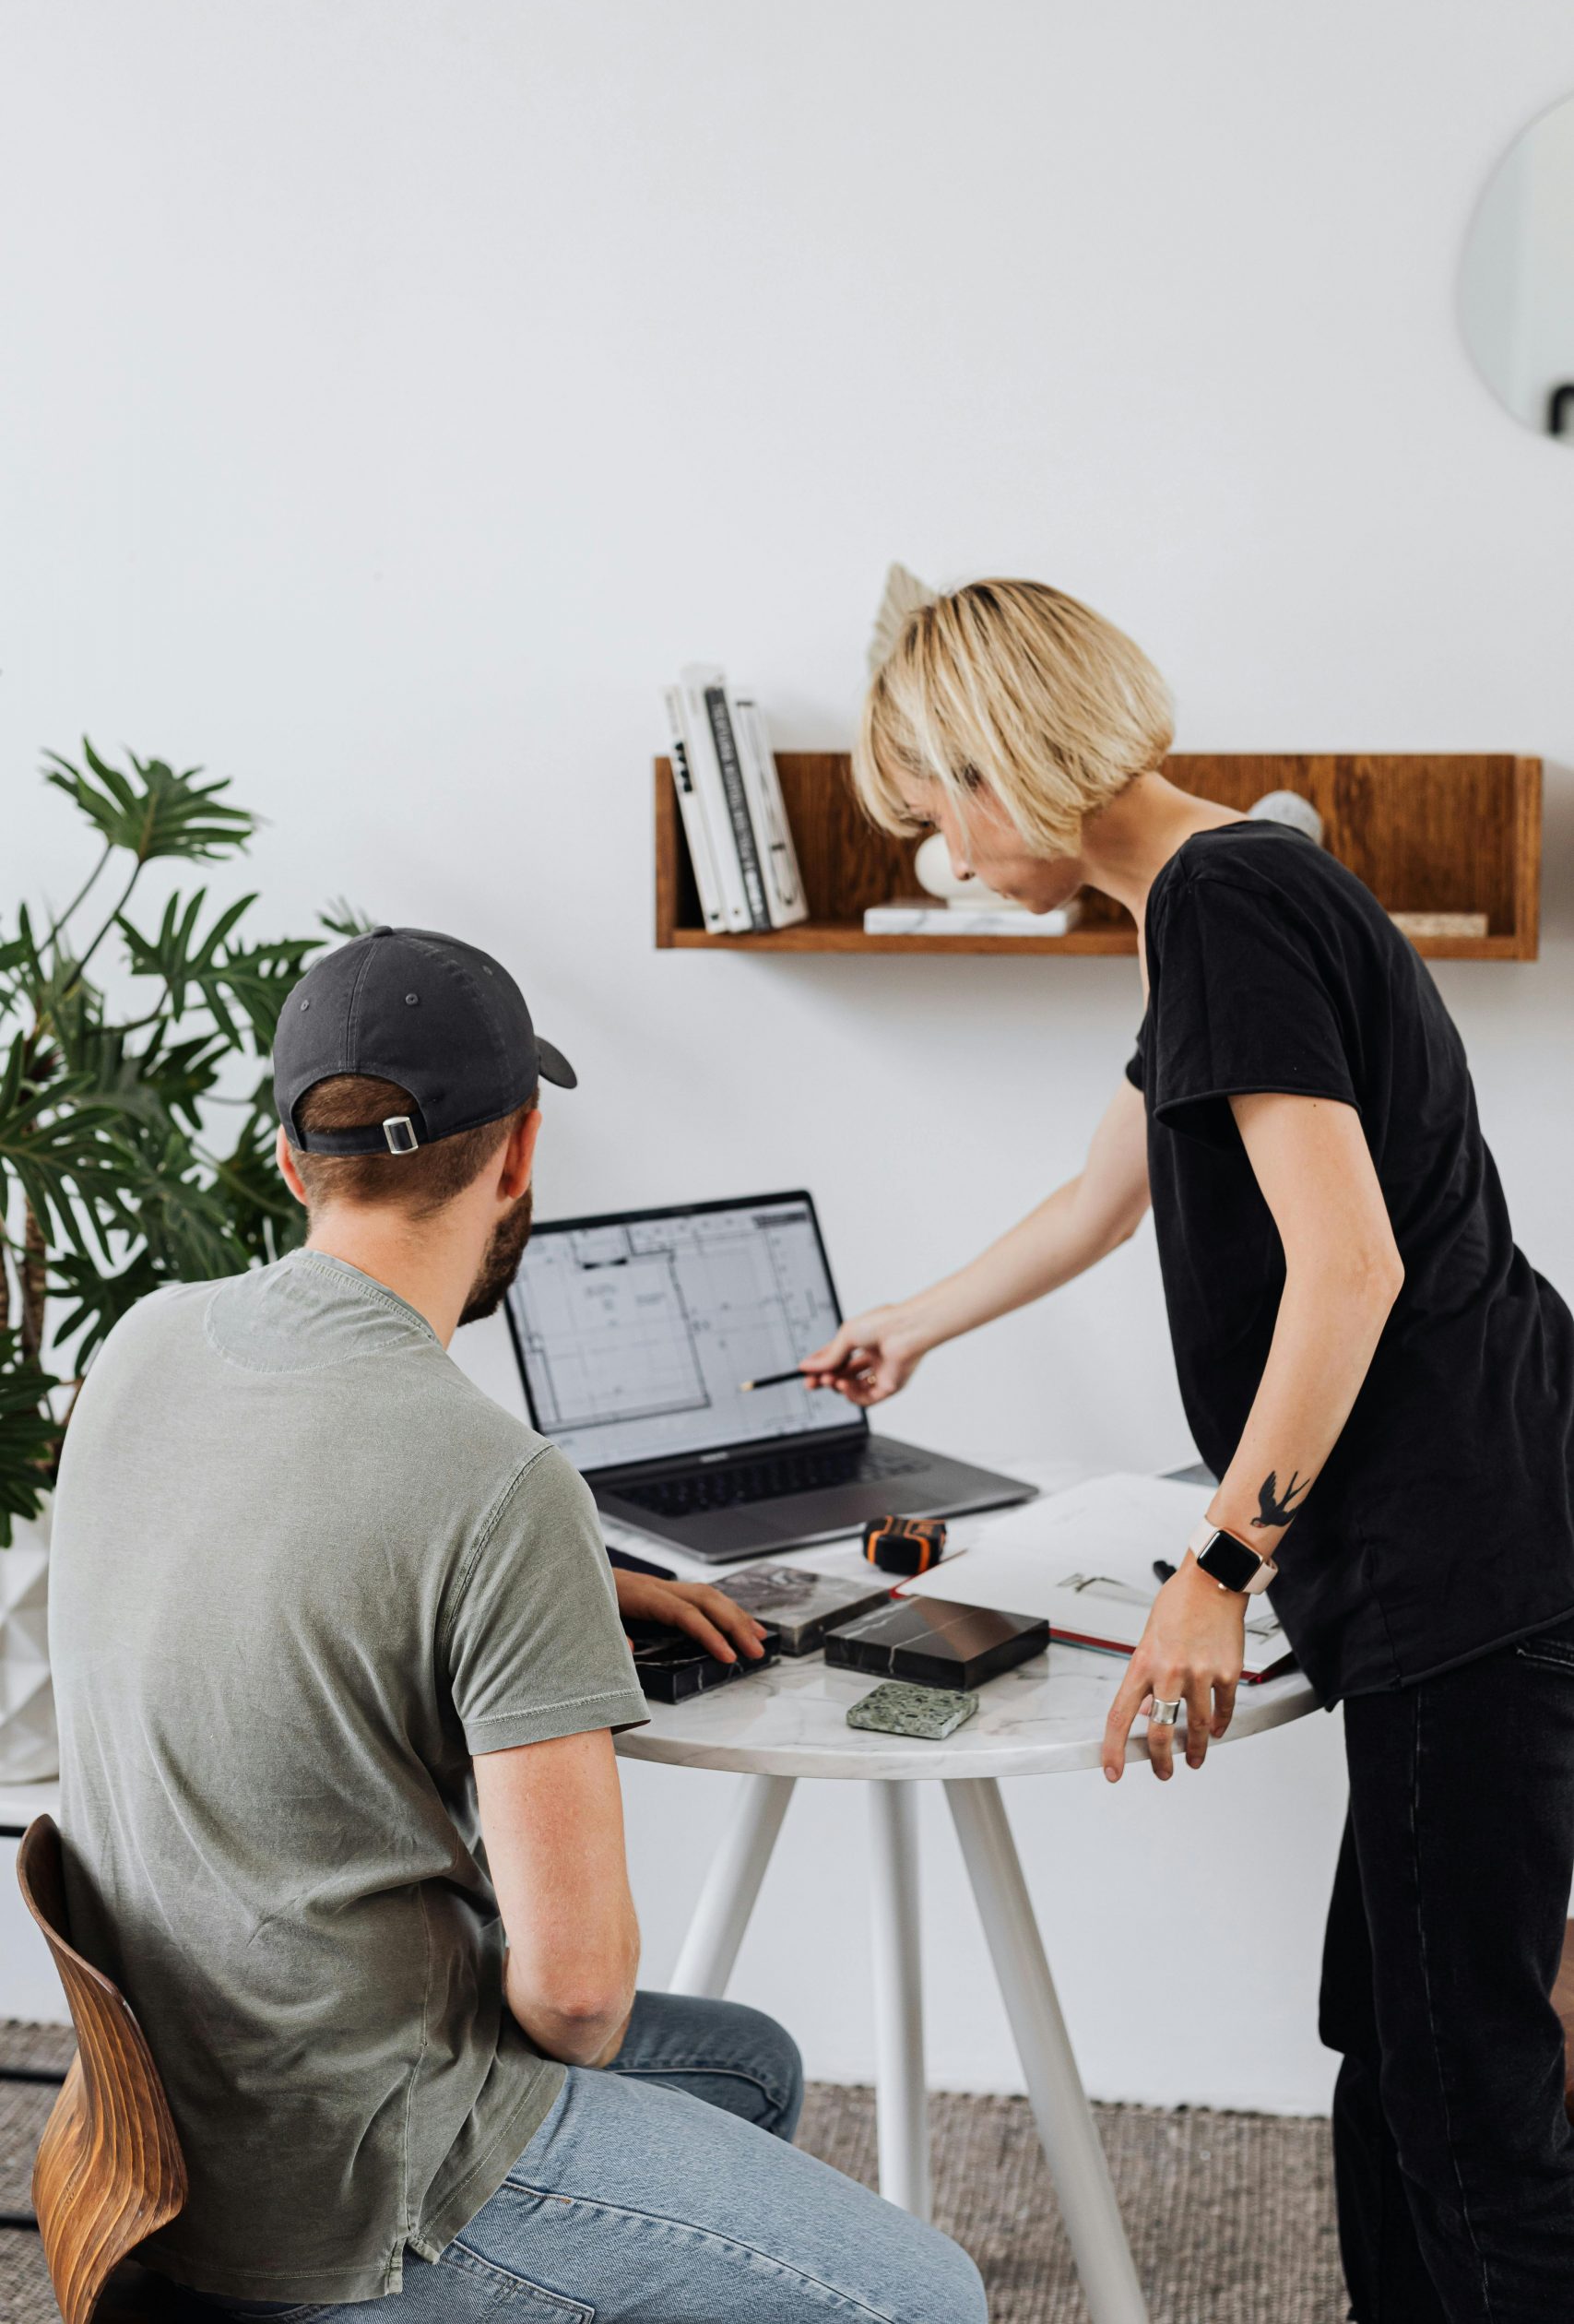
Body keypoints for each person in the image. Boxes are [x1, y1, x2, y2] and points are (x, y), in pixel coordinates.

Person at [801, 580, 1574, 2323]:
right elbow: (1107, 1186)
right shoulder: (1220, 887)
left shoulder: (1223, 898)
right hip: (1477, 1510)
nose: (947, 856)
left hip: (1463, 1545)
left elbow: (1350, 1266)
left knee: (1471, 2108)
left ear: (1000, 765)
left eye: (936, 815)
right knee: (1392, 2041)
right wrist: (917, 1320)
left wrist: (1217, 1570)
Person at [49, 925, 986, 2324]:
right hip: (366, 2183)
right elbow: (578, 2004)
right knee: (931, 2300)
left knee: (748, 2071)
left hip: (175, 2142)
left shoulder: (144, 1348)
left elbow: (270, 1545)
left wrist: (552, 1593)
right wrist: (526, 1562)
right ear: (520, 1155)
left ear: (297, 1163)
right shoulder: (501, 1485)